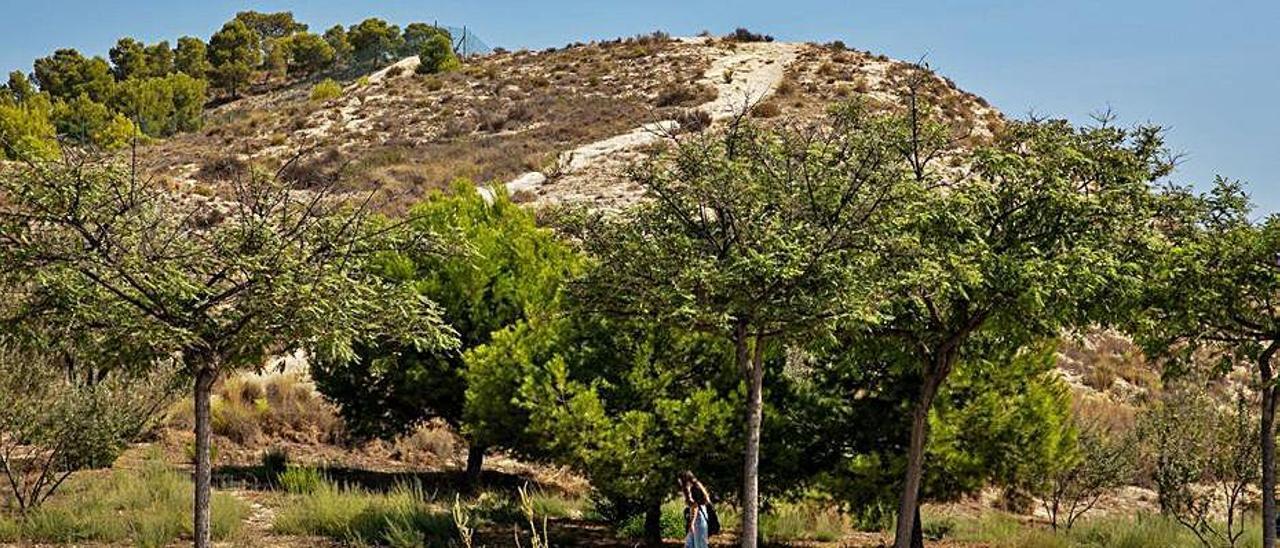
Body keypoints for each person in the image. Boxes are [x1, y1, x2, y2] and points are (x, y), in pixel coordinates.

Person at [681, 471, 710, 548]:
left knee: (700, 546)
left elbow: (695, 506)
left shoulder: (694, 488)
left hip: (698, 521)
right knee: (689, 546)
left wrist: (692, 523)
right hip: (699, 520)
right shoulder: (696, 486)